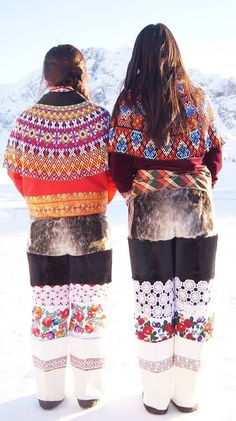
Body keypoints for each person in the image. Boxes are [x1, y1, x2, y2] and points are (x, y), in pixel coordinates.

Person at [108, 23, 223, 414]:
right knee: (193, 298)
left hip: (148, 212)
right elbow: (215, 155)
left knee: (153, 299)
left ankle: (156, 396)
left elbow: (119, 166)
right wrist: (197, 183)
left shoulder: (127, 103)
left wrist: (137, 193)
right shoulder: (198, 98)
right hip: (196, 209)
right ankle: (186, 395)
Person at [4, 44, 116, 410]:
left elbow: (15, 171)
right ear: (81, 73)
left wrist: (41, 200)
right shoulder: (99, 119)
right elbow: (115, 172)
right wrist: (96, 200)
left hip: (43, 233)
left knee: (48, 311)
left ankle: (50, 393)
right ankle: (88, 391)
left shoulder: (25, 119)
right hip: (92, 232)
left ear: (46, 75)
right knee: (89, 310)